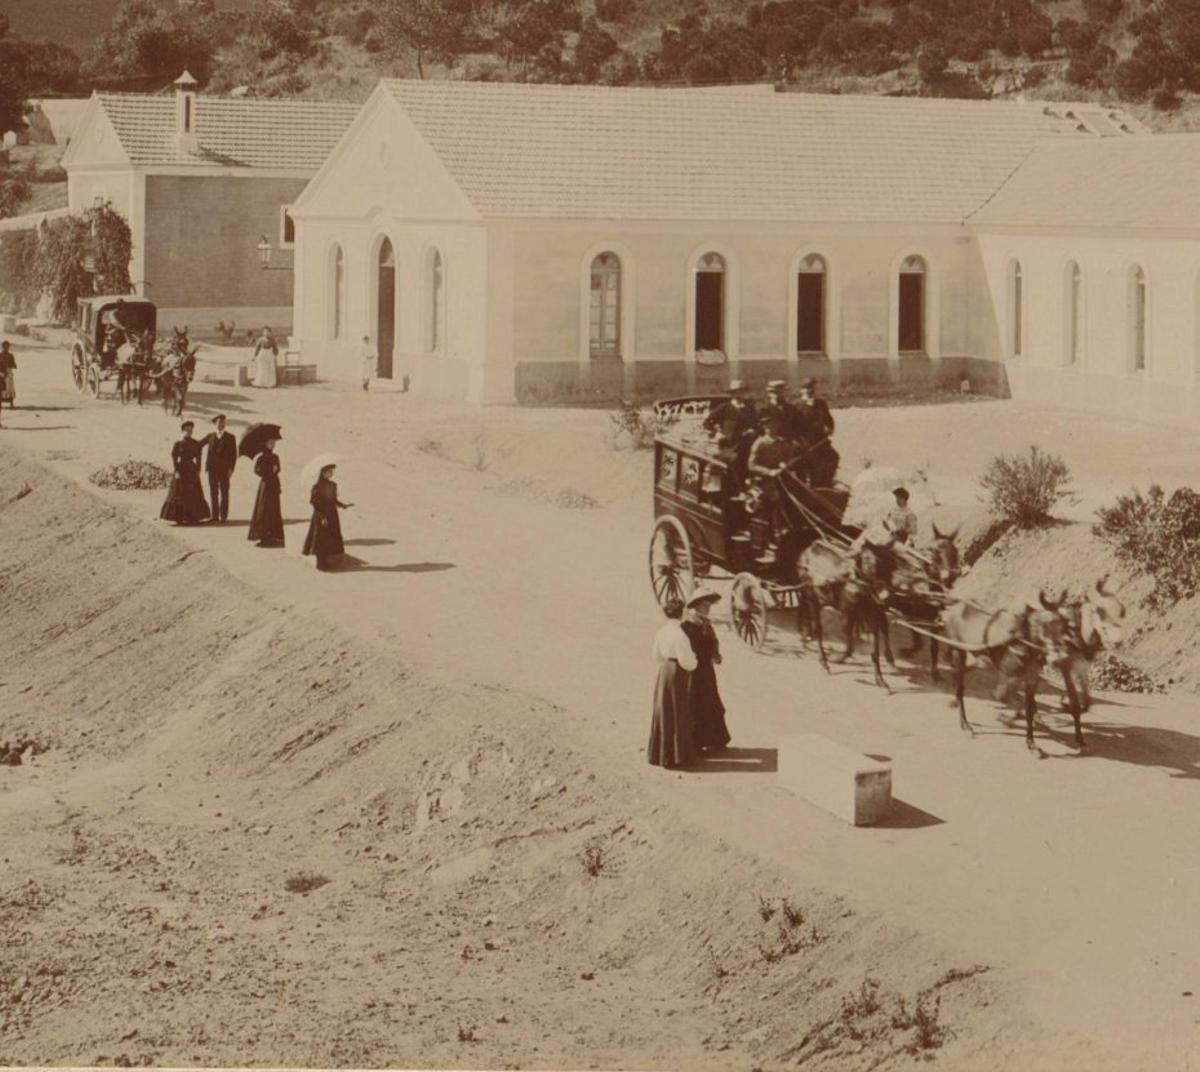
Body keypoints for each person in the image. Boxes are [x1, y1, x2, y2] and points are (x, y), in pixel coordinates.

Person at [647, 598, 697, 770]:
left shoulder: (662, 632)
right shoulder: (680, 635)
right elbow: (687, 662)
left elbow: (656, 655)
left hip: (664, 671)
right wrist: (694, 663)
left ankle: (661, 755)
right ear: (681, 613)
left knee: (664, 709)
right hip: (677, 673)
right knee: (678, 711)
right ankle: (678, 756)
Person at [681, 589, 730, 753]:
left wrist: (716, 654)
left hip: (706, 668)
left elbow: (713, 641)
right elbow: (690, 647)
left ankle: (716, 739)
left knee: (711, 700)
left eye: (709, 605)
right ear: (696, 605)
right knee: (697, 703)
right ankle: (697, 742)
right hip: (695, 669)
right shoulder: (688, 625)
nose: (708, 608)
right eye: (705, 605)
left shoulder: (706, 623)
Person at [746, 412, 798, 563]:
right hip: (762, 482)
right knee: (770, 504)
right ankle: (767, 540)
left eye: (774, 425)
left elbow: (790, 457)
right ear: (764, 427)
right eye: (768, 425)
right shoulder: (759, 443)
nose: (772, 428)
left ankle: (786, 534)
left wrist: (785, 464)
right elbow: (751, 465)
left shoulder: (782, 442)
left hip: (781, 480)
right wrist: (769, 472)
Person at [302, 464, 353, 571]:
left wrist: (342, 505)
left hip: (332, 515)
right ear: (323, 473)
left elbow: (333, 500)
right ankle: (320, 564)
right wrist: (323, 517)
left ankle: (326, 562)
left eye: (332, 471)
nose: (331, 473)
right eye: (329, 471)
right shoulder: (317, 487)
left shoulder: (333, 485)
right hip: (320, 515)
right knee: (320, 539)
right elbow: (314, 502)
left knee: (329, 538)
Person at [159, 421, 211, 525]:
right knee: (179, 492)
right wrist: (176, 471)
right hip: (181, 470)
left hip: (192, 470)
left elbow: (199, 458)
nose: (189, 432)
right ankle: (179, 518)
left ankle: (193, 517)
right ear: (182, 431)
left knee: (193, 493)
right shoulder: (178, 444)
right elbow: (174, 458)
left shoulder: (196, 444)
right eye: (187, 430)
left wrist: (198, 470)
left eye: (191, 430)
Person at [795, 378, 840, 487]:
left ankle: (827, 482)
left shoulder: (821, 403)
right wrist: (801, 442)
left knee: (834, 457)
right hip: (806, 444)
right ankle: (813, 487)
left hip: (822, 441)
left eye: (812, 388)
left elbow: (829, 420)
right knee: (813, 466)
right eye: (806, 388)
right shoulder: (797, 405)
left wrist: (830, 429)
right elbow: (794, 427)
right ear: (801, 390)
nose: (810, 390)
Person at [201, 414, 238, 523]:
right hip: (212, 469)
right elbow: (198, 445)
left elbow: (234, 455)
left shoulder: (230, 437)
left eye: (223, 422)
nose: (221, 424)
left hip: (224, 469)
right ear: (215, 424)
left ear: (225, 424)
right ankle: (214, 516)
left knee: (224, 492)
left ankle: (223, 516)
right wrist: (185, 440)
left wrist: (231, 469)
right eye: (219, 422)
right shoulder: (210, 436)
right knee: (213, 492)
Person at [248, 439, 284, 547]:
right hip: (265, 486)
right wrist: (270, 470)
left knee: (274, 509)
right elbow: (257, 470)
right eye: (270, 443)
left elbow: (279, 468)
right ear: (265, 444)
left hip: (274, 485)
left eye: (274, 443)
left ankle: (274, 536)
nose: (273, 445)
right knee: (264, 509)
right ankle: (263, 536)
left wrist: (276, 469)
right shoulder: (261, 457)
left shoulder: (275, 456)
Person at [0, 340, 16, 421]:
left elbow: (14, 365)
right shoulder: (0, 355)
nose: (6, 348)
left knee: (9, 388)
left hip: (8, 373)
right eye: (4, 347)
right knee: (3, 389)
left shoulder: (10, 355)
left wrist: (10, 365)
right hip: (1, 374)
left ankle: (11, 402)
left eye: (7, 347)